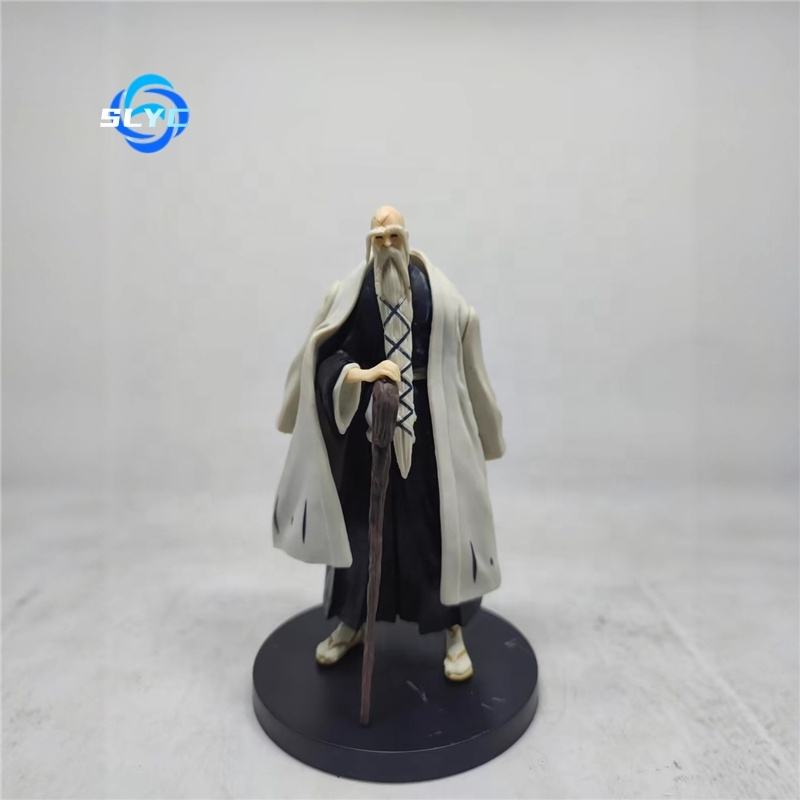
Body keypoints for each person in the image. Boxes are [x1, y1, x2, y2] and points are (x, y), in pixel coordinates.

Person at [273, 206, 505, 681]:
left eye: (393, 236)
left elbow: (470, 366)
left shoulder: (440, 297)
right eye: (378, 238)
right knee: (362, 530)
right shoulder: (351, 294)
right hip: (369, 433)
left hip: (432, 434)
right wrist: (357, 375)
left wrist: (487, 432)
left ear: (406, 237)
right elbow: (327, 354)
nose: (386, 246)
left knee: (439, 530)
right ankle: (353, 621)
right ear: (369, 242)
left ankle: (453, 630)